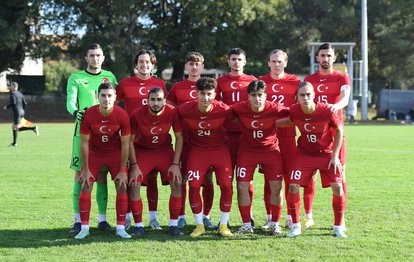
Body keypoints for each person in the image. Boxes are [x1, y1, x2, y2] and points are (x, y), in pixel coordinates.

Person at [277, 81, 346, 238]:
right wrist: (268, 125)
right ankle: (295, 226)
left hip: (326, 154)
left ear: (314, 95)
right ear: (297, 98)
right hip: (304, 154)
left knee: (337, 187)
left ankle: (338, 226)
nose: (306, 98)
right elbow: (289, 120)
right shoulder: (294, 110)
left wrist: (335, 156)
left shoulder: (326, 110)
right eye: (302, 95)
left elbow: (339, 130)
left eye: (308, 94)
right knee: (293, 186)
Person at [66, 43, 118, 235]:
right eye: (91, 55)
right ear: (86, 58)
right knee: (80, 176)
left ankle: (102, 220)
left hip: (106, 136)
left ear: (103, 57)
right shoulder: (76, 78)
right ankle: (78, 220)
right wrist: (76, 112)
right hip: (83, 133)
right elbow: (70, 101)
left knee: (102, 176)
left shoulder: (110, 77)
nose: (95, 58)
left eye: (98, 55)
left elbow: (115, 101)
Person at [116, 49, 167, 230]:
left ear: (153, 65)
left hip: (154, 139)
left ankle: (153, 218)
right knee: (132, 179)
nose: (144, 65)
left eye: (148, 62)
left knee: (152, 178)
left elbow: (164, 107)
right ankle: (129, 216)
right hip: (132, 140)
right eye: (141, 62)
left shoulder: (160, 83)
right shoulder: (124, 84)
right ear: (136, 65)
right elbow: (114, 104)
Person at [178, 77, 234, 237]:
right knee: (194, 186)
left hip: (220, 151)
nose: (205, 98)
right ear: (196, 94)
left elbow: (239, 118)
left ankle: (223, 225)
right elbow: (172, 117)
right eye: (202, 93)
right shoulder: (185, 109)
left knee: (226, 185)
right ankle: (199, 225)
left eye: (209, 94)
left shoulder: (224, 109)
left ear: (215, 94)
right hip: (197, 151)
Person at [231, 80, 288, 235]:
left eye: (260, 95)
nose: (257, 99)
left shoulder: (274, 107)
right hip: (247, 151)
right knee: (241, 187)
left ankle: (275, 224)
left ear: (266, 96)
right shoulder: (240, 108)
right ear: (248, 96)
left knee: (276, 187)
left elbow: (294, 114)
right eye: (254, 95)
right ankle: (247, 224)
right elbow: (222, 112)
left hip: (270, 151)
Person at [303, 43, 350, 229]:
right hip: (314, 133)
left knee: (340, 175)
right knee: (310, 175)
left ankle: (341, 218)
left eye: (329, 56)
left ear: (334, 58)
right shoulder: (309, 79)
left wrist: (334, 107)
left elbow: (345, 98)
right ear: (317, 58)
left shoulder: (342, 78)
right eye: (322, 55)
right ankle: (308, 216)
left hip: (335, 131)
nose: (325, 59)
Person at [75, 82, 131, 239]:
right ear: (97, 97)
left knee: (121, 186)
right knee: (85, 185)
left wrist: (122, 170)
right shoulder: (89, 114)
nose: (107, 99)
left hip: (115, 154)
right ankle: (84, 228)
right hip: (94, 154)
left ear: (115, 98)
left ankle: (120, 228)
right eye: (103, 96)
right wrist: (85, 170)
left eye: (110, 96)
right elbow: (84, 142)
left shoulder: (122, 115)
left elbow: (126, 144)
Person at [128, 87, 184, 237]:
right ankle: (138, 225)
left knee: (177, 181)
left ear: (164, 101)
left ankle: (173, 225)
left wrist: (175, 164)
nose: (155, 102)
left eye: (159, 99)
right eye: (152, 99)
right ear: (147, 100)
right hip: (143, 151)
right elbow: (129, 141)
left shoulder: (172, 111)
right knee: (133, 183)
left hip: (164, 151)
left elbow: (179, 137)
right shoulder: (137, 114)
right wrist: (133, 165)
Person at [259, 49, 300, 230]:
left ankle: (291, 216)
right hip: (267, 138)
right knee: (269, 179)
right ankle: (270, 217)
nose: (277, 65)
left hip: (288, 136)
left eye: (280, 61)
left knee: (291, 179)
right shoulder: (260, 82)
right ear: (268, 63)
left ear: (286, 62)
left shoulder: (295, 82)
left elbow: (298, 111)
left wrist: (276, 123)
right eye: (273, 61)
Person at [216, 48, 257, 225]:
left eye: (239, 59)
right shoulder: (221, 82)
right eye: (233, 59)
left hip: (247, 136)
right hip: (226, 136)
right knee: (226, 179)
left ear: (245, 62)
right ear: (228, 62)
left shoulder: (253, 81)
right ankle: (224, 217)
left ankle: (249, 216)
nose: (236, 62)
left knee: (247, 179)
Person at [167, 51, 206, 229]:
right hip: (184, 139)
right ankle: (181, 215)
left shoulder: (209, 86)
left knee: (207, 180)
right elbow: (171, 110)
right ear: (186, 67)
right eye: (191, 63)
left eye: (197, 63)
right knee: (181, 179)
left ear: (202, 67)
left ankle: (206, 216)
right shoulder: (177, 87)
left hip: (205, 141)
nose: (194, 66)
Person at [3, 81, 39, 147]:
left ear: (14, 86)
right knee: (14, 127)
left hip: (17, 113)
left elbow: (13, 103)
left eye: (11, 85)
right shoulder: (20, 93)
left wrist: (7, 107)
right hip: (22, 111)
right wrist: (22, 111)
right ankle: (14, 143)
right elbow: (25, 103)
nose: (10, 87)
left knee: (17, 128)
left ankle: (33, 128)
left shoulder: (12, 94)